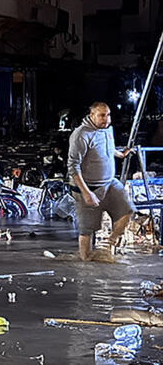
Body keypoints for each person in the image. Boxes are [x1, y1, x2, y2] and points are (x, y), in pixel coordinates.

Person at [68, 101, 143, 261]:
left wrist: (120, 154)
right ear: (91, 115)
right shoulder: (81, 135)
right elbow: (73, 167)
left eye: (108, 115)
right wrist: (86, 193)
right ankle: (85, 262)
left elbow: (106, 148)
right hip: (87, 186)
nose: (106, 119)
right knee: (87, 229)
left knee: (127, 211)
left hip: (109, 183)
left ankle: (108, 243)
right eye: (102, 115)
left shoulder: (107, 129)